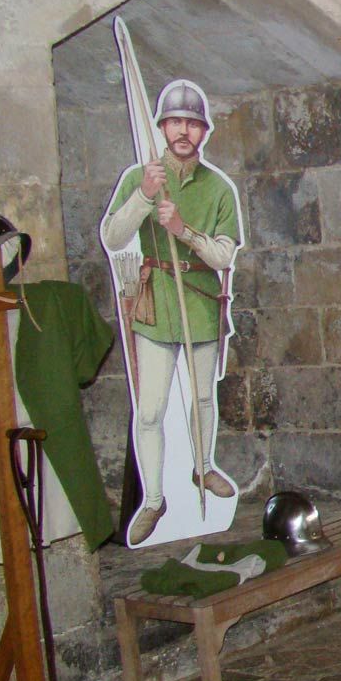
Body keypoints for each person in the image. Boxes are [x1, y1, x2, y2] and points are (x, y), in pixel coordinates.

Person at [102, 80, 241, 545]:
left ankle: (203, 469)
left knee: (203, 399)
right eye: (176, 122)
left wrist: (183, 230)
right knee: (151, 409)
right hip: (157, 299)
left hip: (200, 300)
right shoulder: (141, 177)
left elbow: (222, 257)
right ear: (162, 126)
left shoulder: (219, 188)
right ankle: (155, 499)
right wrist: (144, 196)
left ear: (204, 131)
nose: (184, 131)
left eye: (193, 124)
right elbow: (114, 237)